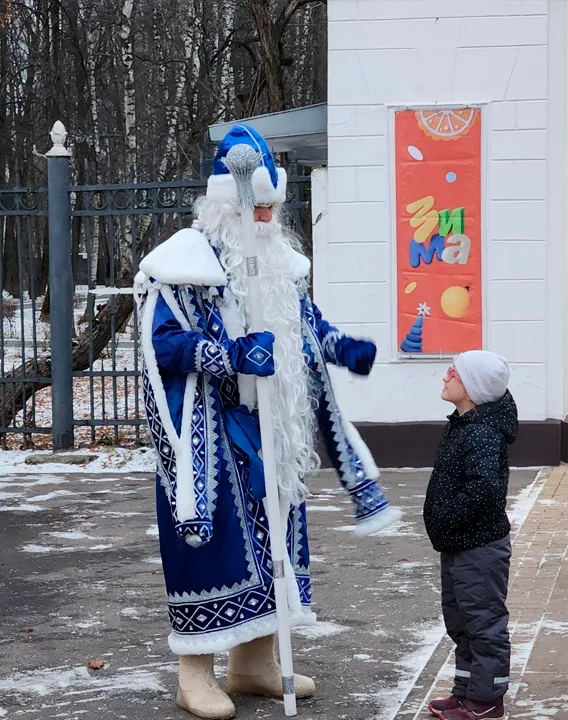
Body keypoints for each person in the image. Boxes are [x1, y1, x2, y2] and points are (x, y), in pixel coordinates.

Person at [135, 124, 401, 719]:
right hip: (209, 435)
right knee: (215, 551)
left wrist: (337, 346)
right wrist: (225, 355)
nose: (265, 216)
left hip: (272, 431)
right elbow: (163, 346)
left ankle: (254, 663)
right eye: (256, 205)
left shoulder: (279, 264)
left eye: (272, 207)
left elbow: (304, 324)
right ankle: (194, 672)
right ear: (225, 203)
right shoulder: (183, 264)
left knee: (274, 545)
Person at [423, 351, 516, 720]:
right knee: (461, 624)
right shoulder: (464, 423)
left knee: (484, 624)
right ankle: (465, 692)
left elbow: (486, 491)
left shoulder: (481, 432)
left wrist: (447, 517)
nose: (446, 375)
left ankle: (487, 701)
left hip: (478, 547)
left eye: (455, 372)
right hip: (459, 544)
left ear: (473, 388)